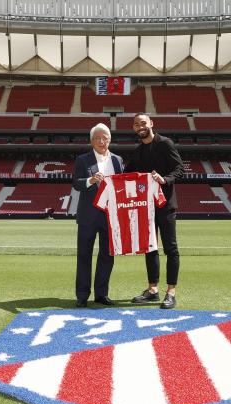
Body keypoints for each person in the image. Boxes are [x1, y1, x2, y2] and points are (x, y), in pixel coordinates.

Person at [124, 113, 185, 309]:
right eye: (136, 124)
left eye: (143, 122)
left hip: (165, 205)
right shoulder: (138, 151)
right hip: (146, 207)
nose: (140, 126)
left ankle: (171, 292)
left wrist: (164, 179)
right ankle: (152, 290)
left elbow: (179, 169)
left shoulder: (165, 143)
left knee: (170, 248)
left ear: (151, 123)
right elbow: (126, 173)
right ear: (134, 128)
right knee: (150, 248)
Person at [72, 123, 123, 308]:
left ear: (110, 139)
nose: (102, 141)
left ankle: (102, 294)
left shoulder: (118, 160)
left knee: (107, 256)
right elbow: (76, 183)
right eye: (98, 138)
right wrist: (91, 180)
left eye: (105, 138)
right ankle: (82, 295)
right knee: (84, 255)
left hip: (111, 216)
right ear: (91, 141)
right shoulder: (82, 160)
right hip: (88, 216)